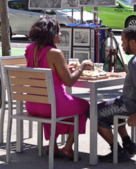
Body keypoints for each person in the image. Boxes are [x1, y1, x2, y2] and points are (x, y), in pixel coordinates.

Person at [23, 16, 90, 160]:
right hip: (53, 105)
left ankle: (52, 145)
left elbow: (46, 70)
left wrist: (65, 68)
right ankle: (67, 147)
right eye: (59, 31)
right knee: (85, 106)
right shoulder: (55, 53)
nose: (61, 34)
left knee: (50, 106)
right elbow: (69, 82)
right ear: (51, 33)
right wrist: (83, 65)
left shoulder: (29, 49)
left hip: (32, 104)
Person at [94, 26, 136, 160]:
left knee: (94, 112)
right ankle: (128, 144)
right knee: (115, 104)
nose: (122, 44)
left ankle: (117, 151)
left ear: (133, 42)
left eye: (123, 41)